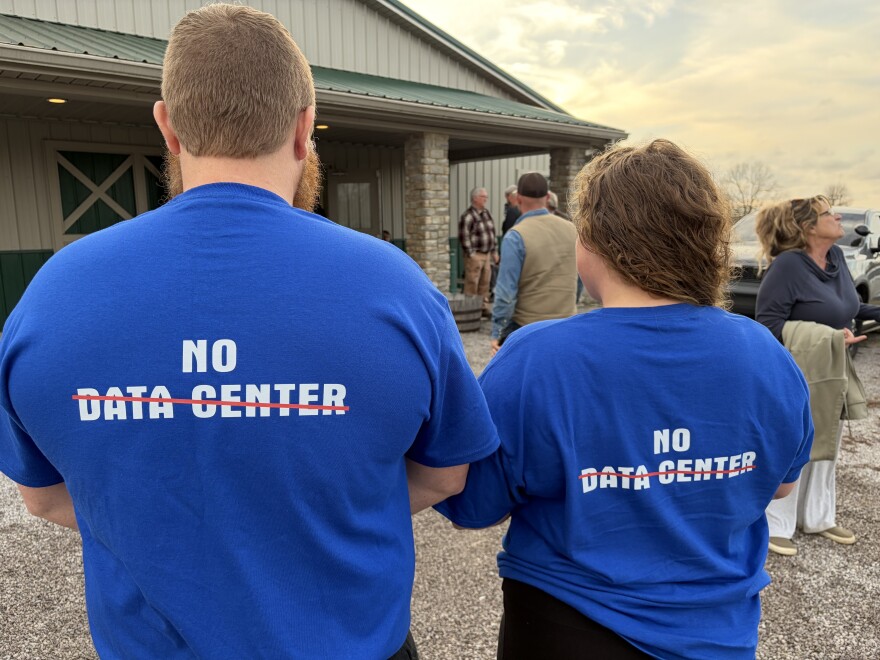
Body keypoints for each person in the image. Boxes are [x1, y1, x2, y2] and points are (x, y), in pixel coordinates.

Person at [0, 5, 499, 658]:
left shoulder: (52, 296)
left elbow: (41, 498)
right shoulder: (397, 289)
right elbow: (446, 477)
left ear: (168, 127)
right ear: (302, 131)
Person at [436, 140, 814, 659]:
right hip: (717, 636)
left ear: (593, 243)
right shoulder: (768, 357)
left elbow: (472, 504)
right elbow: (779, 485)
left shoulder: (537, 360)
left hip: (563, 628)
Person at [755, 196, 880, 556]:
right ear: (808, 227)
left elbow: (849, 308)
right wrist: (826, 336)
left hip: (832, 368)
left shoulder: (836, 258)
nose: (837, 216)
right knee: (795, 443)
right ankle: (776, 522)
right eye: (828, 214)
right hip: (797, 371)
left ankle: (819, 517)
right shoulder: (788, 267)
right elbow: (769, 325)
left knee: (828, 439)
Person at [490, 172, 578, 353]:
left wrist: (498, 331)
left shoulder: (516, 236)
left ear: (518, 199)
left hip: (527, 326)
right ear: (547, 198)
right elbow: (581, 278)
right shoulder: (571, 230)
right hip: (567, 321)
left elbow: (506, 292)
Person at [459, 187, 499, 311]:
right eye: (483, 197)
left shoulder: (486, 213)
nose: (486, 199)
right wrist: (471, 254)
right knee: (472, 283)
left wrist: (494, 251)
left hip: (487, 255)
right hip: (475, 255)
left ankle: (483, 308)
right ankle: (471, 310)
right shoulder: (468, 216)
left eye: (486, 197)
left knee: (485, 284)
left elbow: (492, 232)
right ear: (475, 198)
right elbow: (464, 236)